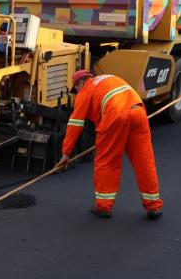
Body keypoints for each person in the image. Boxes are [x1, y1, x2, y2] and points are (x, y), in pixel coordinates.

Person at [54, 70, 163, 220]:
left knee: (107, 161)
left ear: (80, 83)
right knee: (144, 161)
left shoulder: (86, 90)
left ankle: (103, 206)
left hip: (115, 116)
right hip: (138, 112)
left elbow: (75, 123)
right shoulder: (110, 78)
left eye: (76, 89)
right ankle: (154, 206)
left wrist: (66, 153)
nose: (77, 92)